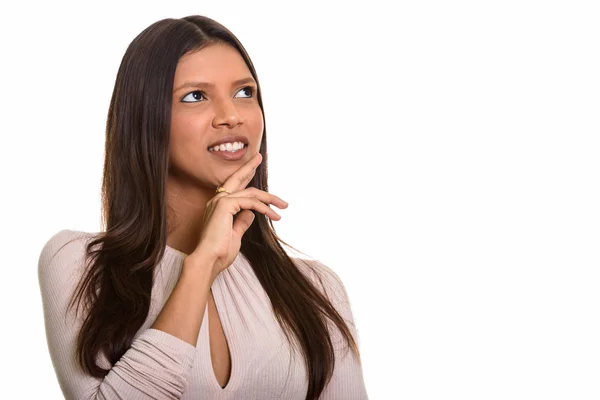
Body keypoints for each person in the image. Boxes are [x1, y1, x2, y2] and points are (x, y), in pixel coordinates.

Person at [38, 15, 368, 400]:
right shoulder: (79, 264)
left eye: (245, 92)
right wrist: (200, 266)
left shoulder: (318, 290)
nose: (231, 115)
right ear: (146, 120)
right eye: (196, 96)